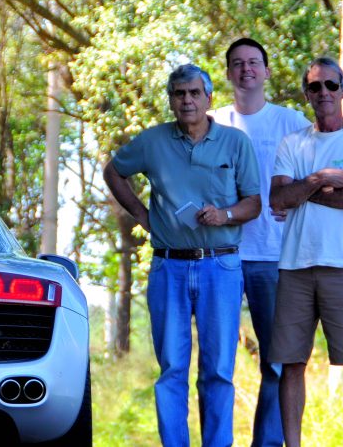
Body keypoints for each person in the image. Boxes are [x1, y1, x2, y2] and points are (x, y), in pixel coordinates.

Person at [103, 63, 262, 447]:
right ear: (171, 100)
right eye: (179, 94)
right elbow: (113, 172)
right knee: (172, 368)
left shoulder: (235, 142)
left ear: (209, 98)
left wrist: (225, 215)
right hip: (168, 265)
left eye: (194, 93)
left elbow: (254, 203)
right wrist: (141, 215)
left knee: (218, 370)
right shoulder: (152, 141)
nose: (187, 100)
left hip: (220, 265)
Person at [268, 57, 343, 447]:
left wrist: (302, 192)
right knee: (291, 364)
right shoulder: (292, 143)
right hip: (295, 268)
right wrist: (320, 179)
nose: (323, 93)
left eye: (331, 85)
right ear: (307, 93)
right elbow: (277, 198)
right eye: (315, 86)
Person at [212, 38, 310, 447]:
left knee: (277, 362)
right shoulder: (213, 122)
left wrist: (298, 202)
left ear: (267, 71)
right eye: (238, 63)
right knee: (217, 366)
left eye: (254, 62)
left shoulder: (291, 122)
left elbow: (315, 176)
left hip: (272, 255)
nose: (246, 69)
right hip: (220, 254)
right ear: (228, 73)